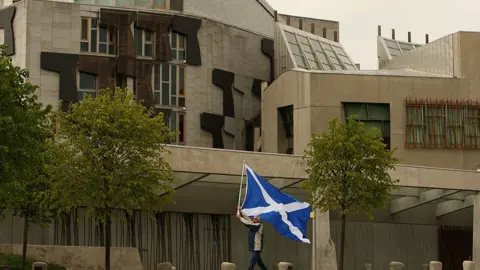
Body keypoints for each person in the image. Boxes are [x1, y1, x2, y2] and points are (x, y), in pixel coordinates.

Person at [236, 205, 268, 270]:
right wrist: (240, 211)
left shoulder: (258, 225)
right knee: (260, 263)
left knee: (251, 264)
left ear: (258, 220)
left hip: (256, 248)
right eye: (254, 218)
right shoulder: (254, 223)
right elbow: (247, 218)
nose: (253, 219)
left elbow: (248, 224)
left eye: (255, 219)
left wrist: (240, 218)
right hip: (254, 247)